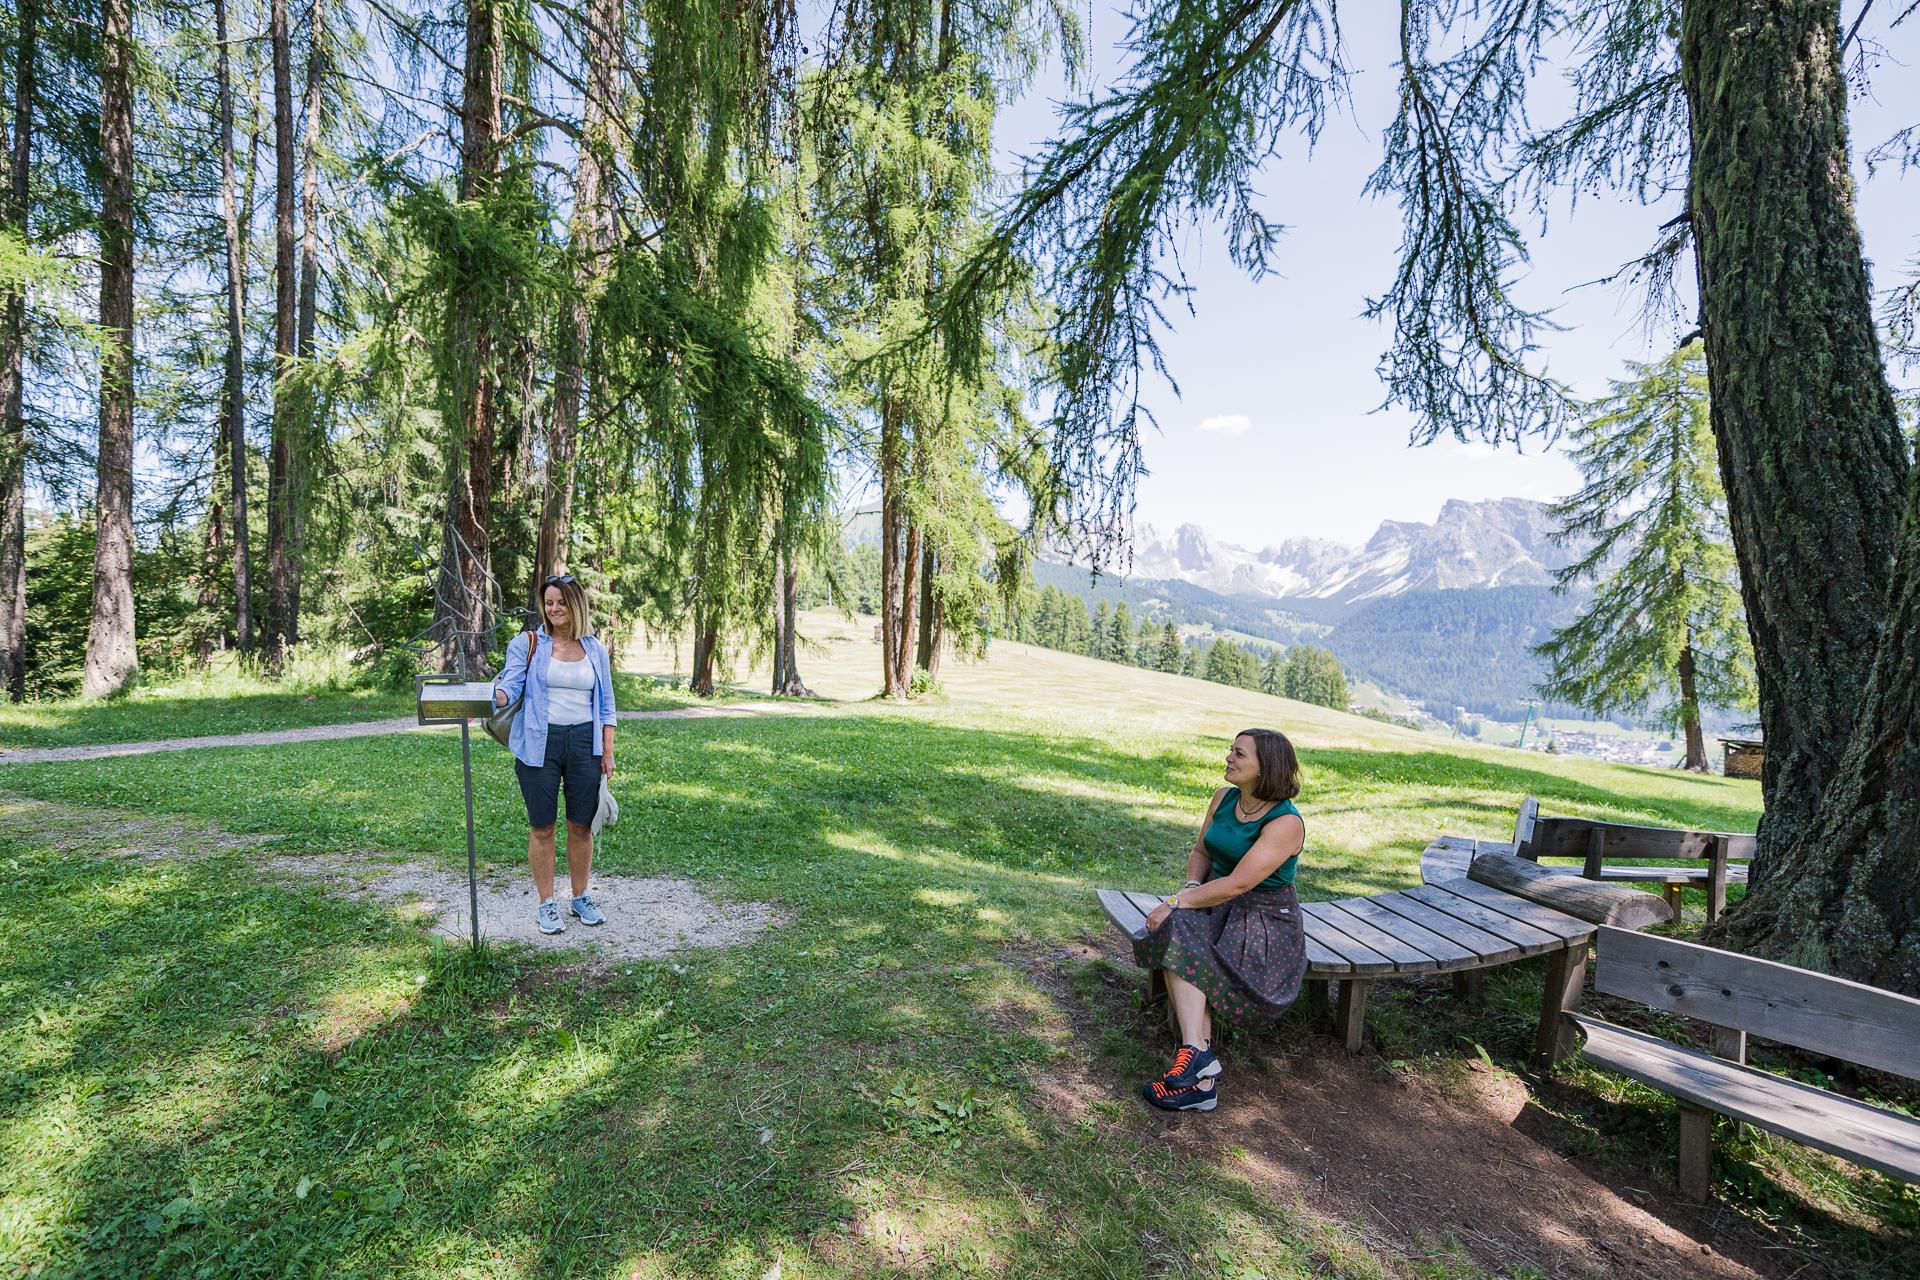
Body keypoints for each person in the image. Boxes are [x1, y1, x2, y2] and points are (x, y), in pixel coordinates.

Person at [1132, 728, 1308, 1112]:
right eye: (1232, 750)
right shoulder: (1223, 798)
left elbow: (1239, 884)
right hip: (1216, 898)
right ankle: (1199, 1067)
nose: (1229, 758)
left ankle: (1196, 1067)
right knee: (1176, 929)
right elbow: (1200, 852)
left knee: (1182, 934)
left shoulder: (1285, 824)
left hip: (1263, 921)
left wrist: (1178, 901)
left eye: (1239, 754)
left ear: (1266, 768)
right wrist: (1193, 887)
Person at [492, 574, 618, 934]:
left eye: (561, 602)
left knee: (581, 825)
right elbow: (509, 687)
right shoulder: (528, 643)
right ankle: (547, 904)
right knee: (542, 826)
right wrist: (487, 699)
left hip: (584, 745)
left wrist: (607, 752)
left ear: (575, 605)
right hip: (538, 745)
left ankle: (580, 897)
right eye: (548, 602)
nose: (554, 609)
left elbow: (607, 705)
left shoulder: (594, 648)